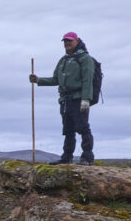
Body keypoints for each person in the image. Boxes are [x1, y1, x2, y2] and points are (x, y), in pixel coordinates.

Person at [29, 32, 96, 165]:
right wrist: (38, 80)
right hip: (65, 100)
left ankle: (87, 157)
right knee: (68, 130)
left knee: (83, 128)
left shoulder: (85, 58)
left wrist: (86, 99)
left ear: (77, 41)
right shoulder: (63, 60)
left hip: (79, 98)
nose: (67, 43)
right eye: (65, 41)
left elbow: (88, 80)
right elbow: (56, 80)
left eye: (69, 41)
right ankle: (67, 157)